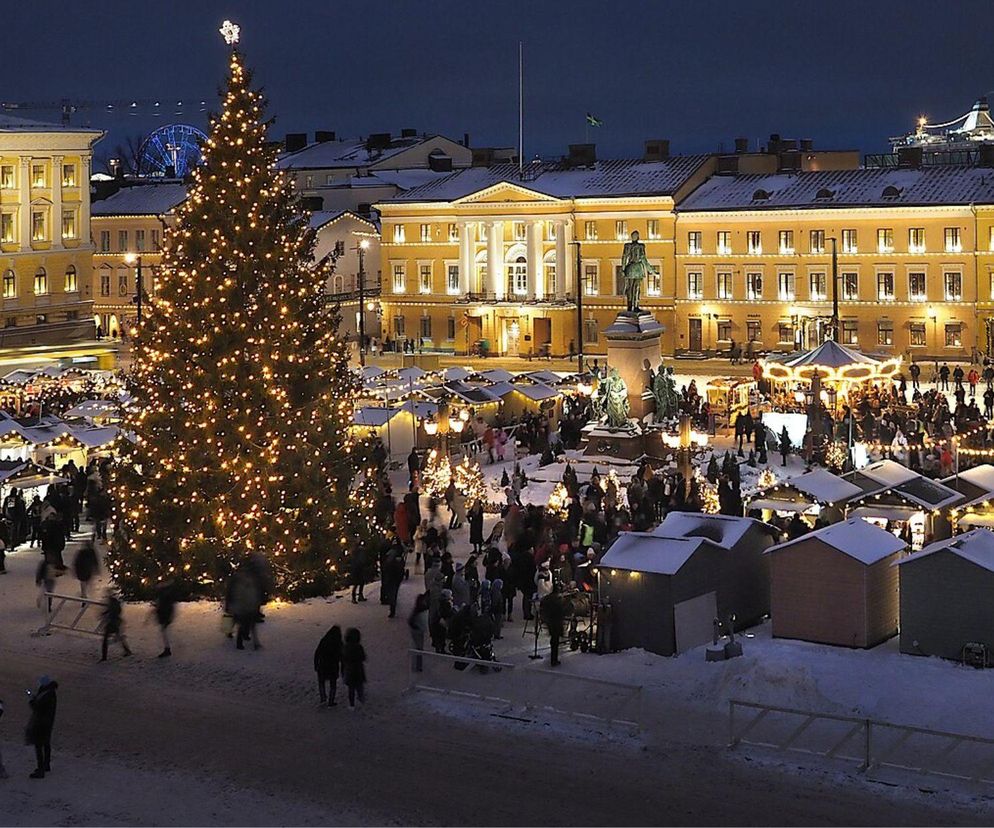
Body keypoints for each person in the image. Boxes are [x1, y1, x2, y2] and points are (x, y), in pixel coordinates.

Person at [25, 676, 57, 779]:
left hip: (40, 724)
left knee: (38, 746)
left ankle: (40, 769)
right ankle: (46, 765)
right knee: (46, 744)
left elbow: (37, 708)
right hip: (47, 723)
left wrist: (31, 700)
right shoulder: (51, 694)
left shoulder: (46, 695)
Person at [229, 566, 262, 651]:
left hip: (247, 607)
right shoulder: (244, 583)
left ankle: (249, 641)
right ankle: (242, 642)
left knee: (247, 624)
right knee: (245, 625)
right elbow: (243, 595)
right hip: (244, 607)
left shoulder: (246, 582)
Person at [313, 626, 343, 706]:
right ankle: (331, 701)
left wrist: (315, 664)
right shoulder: (339, 643)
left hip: (322, 665)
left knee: (321, 682)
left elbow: (317, 653)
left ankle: (323, 698)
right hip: (333, 667)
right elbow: (341, 656)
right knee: (333, 684)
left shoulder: (324, 640)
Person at [100, 592, 132, 661]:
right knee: (118, 636)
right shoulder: (116, 604)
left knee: (106, 639)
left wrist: (105, 614)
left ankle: (104, 657)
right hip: (116, 622)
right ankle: (127, 650)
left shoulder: (112, 604)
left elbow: (112, 612)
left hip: (112, 623)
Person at [342, 627, 367, 708]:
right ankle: (361, 699)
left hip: (349, 670)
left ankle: (351, 704)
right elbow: (363, 657)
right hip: (358, 670)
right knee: (359, 686)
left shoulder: (345, 647)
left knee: (351, 689)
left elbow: (343, 658)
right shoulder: (359, 647)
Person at [540, 591, 566, 667]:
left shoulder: (547, 599)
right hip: (555, 623)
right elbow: (561, 612)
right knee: (555, 641)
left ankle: (553, 658)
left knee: (554, 640)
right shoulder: (557, 602)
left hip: (550, 622)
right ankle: (554, 660)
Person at [153, 581, 177, 658]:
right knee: (165, 632)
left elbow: (164, 607)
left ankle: (167, 648)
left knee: (165, 632)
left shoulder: (164, 597)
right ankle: (167, 648)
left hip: (165, 615)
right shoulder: (166, 596)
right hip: (165, 615)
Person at [408, 592, 429, 671]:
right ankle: (418, 666)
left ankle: (418, 665)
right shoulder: (421, 609)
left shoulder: (418, 609)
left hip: (419, 630)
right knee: (419, 648)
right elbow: (410, 621)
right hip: (418, 631)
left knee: (418, 648)